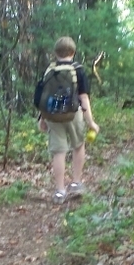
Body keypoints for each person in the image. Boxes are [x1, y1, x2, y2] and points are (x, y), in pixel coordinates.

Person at [37, 36, 100, 204]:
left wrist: (42, 118)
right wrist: (91, 122)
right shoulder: (78, 69)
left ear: (55, 52)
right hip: (74, 114)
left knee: (59, 152)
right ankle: (76, 183)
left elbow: (45, 97)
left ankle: (59, 190)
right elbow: (84, 98)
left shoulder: (49, 70)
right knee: (78, 146)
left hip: (53, 116)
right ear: (73, 52)